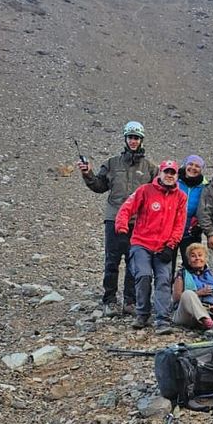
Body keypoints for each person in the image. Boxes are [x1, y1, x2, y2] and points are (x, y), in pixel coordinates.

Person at [77, 121, 157, 317]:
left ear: (141, 140)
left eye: (136, 137)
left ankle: (130, 301)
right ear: (125, 138)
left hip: (137, 222)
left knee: (134, 262)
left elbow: (158, 192)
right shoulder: (112, 163)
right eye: (130, 137)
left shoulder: (150, 168)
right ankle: (110, 300)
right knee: (112, 261)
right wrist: (87, 173)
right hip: (113, 218)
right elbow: (99, 186)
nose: (133, 141)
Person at [115, 159, 187, 334]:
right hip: (141, 243)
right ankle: (142, 313)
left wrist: (171, 246)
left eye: (173, 173)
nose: (169, 175)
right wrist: (122, 231)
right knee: (144, 275)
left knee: (163, 279)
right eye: (166, 172)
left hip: (163, 246)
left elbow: (180, 224)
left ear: (176, 176)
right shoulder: (145, 191)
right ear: (160, 173)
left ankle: (163, 320)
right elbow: (126, 209)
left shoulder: (181, 197)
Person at [171, 242, 213, 332]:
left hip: (210, 311)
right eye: (193, 256)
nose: (197, 258)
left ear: (205, 258)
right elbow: (176, 298)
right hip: (187, 315)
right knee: (188, 294)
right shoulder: (182, 274)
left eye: (200, 255)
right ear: (189, 260)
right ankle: (206, 320)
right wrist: (199, 293)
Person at [177, 155, 207, 261]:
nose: (193, 168)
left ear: (201, 169)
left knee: (191, 264)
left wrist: (199, 225)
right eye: (190, 164)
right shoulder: (174, 181)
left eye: (197, 166)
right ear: (185, 165)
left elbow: (206, 209)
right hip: (171, 231)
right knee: (167, 266)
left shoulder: (205, 187)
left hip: (191, 233)